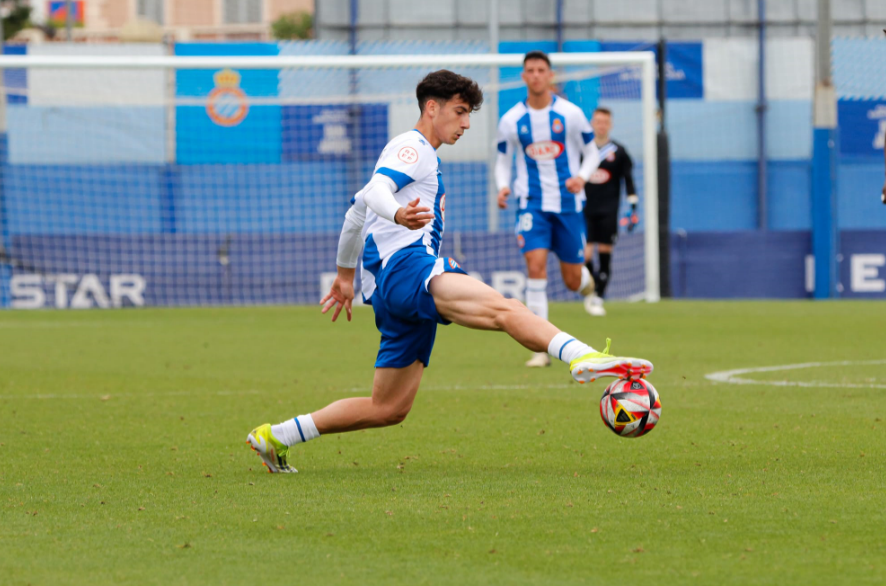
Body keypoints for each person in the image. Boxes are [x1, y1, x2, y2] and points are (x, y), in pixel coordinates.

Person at [246, 69, 653, 473]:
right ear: (431, 107)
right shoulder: (414, 147)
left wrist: (345, 276)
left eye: (469, 115)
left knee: (388, 408)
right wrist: (398, 213)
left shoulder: (416, 152)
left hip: (392, 289)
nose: (466, 123)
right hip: (409, 269)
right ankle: (583, 357)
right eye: (459, 112)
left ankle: (277, 436)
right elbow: (377, 192)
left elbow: (357, 212)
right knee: (506, 308)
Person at [496, 51, 599, 368]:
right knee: (536, 266)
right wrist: (502, 185)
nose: (536, 75)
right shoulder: (511, 120)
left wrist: (582, 177)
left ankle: (587, 284)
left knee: (571, 280)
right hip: (531, 204)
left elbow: (592, 152)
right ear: (523, 76)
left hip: (568, 204)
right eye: (531, 70)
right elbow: (503, 159)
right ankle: (541, 347)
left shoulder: (570, 114)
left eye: (542, 70)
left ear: (550, 75)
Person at [582, 107, 638, 317]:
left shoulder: (619, 151)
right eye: (598, 121)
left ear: (610, 125)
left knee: (605, 252)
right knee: (585, 254)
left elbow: (628, 179)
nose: (601, 125)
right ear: (592, 123)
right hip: (585, 209)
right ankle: (593, 285)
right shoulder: (583, 150)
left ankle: (599, 296)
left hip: (608, 210)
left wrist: (633, 204)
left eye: (605, 122)